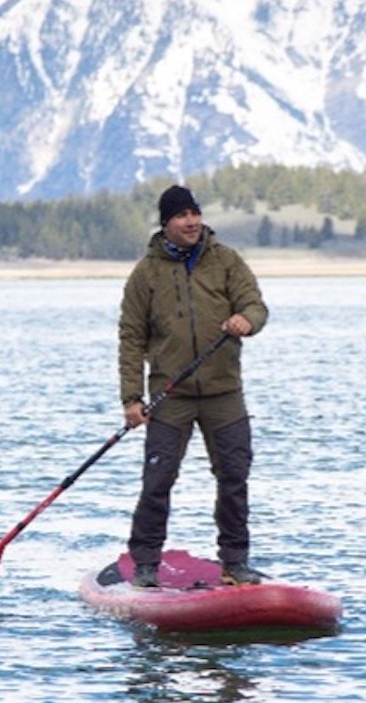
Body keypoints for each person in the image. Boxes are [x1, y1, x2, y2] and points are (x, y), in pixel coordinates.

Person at [118, 184, 269, 588]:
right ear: (166, 223)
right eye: (181, 216)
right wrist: (132, 399)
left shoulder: (226, 260)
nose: (191, 222)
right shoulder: (145, 274)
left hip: (224, 393)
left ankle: (235, 563)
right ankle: (145, 563)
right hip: (172, 396)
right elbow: (131, 338)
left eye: (195, 214)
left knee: (234, 477)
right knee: (158, 481)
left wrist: (247, 321)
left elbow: (255, 304)